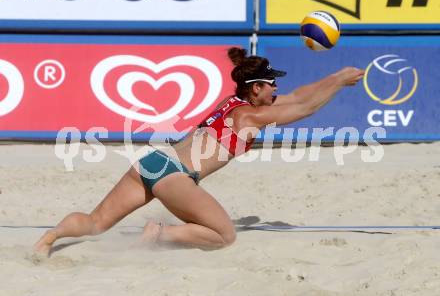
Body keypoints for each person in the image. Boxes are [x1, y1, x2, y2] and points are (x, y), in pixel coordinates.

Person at [34, 47, 364, 255]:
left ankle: (48, 239)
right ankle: (159, 234)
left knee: (95, 222)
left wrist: (335, 77)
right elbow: (305, 108)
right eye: (272, 84)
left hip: (153, 160)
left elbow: (298, 96)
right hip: (176, 176)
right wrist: (338, 83)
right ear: (257, 88)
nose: (277, 89)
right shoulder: (250, 115)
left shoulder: (231, 103)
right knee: (224, 235)